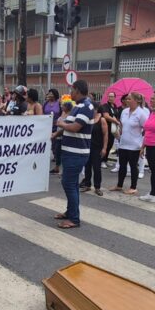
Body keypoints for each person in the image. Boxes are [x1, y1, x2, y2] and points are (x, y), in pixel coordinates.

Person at [51, 80, 95, 229]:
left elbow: (75, 127)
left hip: (77, 153)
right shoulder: (77, 107)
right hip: (69, 151)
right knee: (72, 184)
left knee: (68, 183)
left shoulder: (87, 107)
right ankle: (70, 212)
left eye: (72, 90)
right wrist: (56, 133)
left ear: (77, 90)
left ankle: (74, 219)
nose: (70, 93)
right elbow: (68, 126)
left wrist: (61, 123)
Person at [109, 92, 149, 195]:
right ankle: (119, 185)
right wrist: (120, 133)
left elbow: (147, 129)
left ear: (137, 101)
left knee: (133, 166)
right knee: (122, 166)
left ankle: (133, 187)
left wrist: (143, 146)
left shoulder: (141, 113)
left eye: (130, 99)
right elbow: (122, 124)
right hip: (123, 143)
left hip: (135, 145)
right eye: (127, 99)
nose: (127, 100)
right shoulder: (125, 111)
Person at [80, 94, 108, 196]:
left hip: (97, 147)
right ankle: (87, 184)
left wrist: (104, 148)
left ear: (97, 109)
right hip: (87, 146)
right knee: (87, 166)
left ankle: (97, 187)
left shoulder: (102, 120)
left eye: (93, 109)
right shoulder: (89, 119)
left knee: (97, 168)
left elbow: (105, 135)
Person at [97, 92, 120, 169]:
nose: (110, 98)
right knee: (105, 144)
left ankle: (105, 160)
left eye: (112, 96)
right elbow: (106, 116)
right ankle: (101, 161)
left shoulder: (115, 106)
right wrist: (116, 121)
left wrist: (117, 121)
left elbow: (116, 116)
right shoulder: (105, 106)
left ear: (115, 97)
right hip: (106, 128)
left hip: (113, 129)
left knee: (110, 144)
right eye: (109, 96)